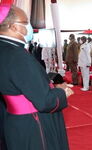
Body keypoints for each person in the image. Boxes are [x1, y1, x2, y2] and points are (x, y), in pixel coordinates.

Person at [0, 5, 73, 150]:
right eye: (25, 22)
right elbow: (45, 102)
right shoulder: (17, 55)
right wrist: (62, 92)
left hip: (13, 121)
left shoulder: (5, 49)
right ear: (14, 27)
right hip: (33, 124)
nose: (30, 26)